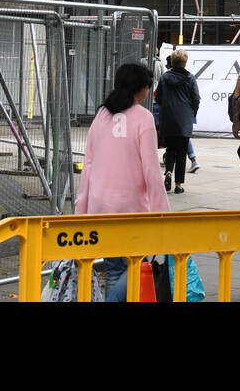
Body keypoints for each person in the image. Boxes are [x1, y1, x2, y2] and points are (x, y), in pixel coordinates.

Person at [76, 62, 169, 301]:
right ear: (140, 88)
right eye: (147, 86)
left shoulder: (102, 115)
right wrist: (163, 214)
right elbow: (151, 170)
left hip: (100, 208)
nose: (148, 92)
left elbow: (88, 165)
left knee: (115, 269)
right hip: (131, 210)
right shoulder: (144, 118)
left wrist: (81, 210)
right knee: (138, 264)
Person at [155, 48, 200, 193]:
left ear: (172, 62)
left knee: (170, 149)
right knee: (181, 152)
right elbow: (196, 98)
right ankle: (178, 185)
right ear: (185, 62)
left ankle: (168, 172)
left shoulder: (164, 78)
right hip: (184, 120)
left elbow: (158, 98)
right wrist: (192, 112)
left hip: (167, 119)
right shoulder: (190, 78)